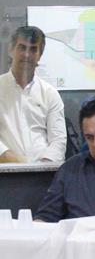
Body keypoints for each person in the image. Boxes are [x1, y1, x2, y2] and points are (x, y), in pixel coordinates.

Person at [0, 25, 66, 163]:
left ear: (40, 55)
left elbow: (58, 141)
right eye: (22, 47)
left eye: (33, 49)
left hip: (43, 176)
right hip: (4, 174)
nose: (26, 54)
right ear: (11, 50)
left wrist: (41, 169)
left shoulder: (50, 94)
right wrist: (17, 162)